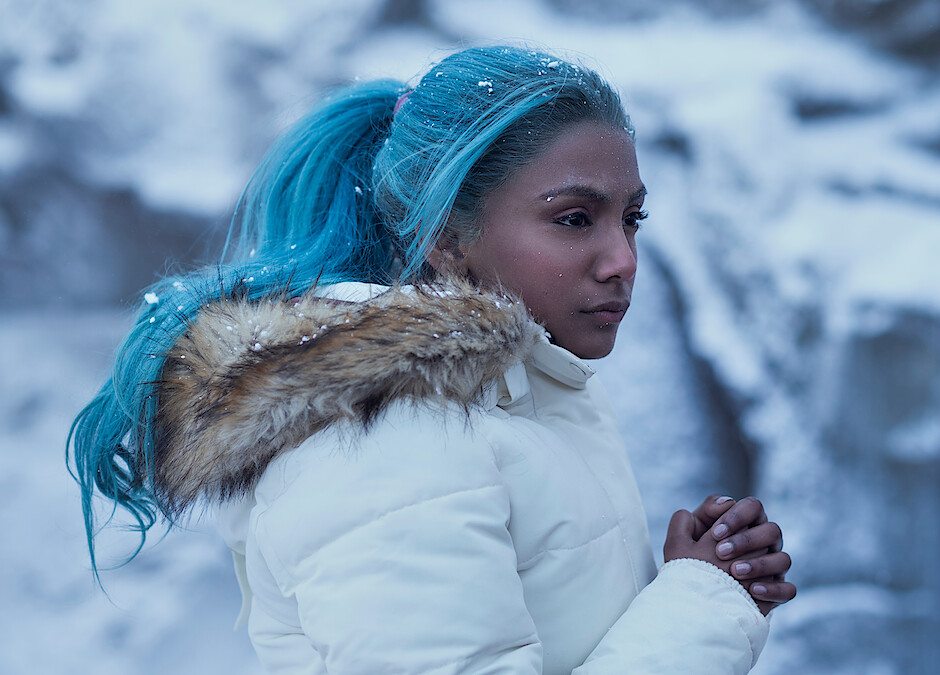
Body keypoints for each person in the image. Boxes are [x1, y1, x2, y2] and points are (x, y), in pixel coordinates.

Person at [69, 45, 796, 673]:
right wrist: (700, 608)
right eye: (575, 218)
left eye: (631, 218)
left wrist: (701, 580)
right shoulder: (385, 438)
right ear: (445, 238)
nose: (622, 260)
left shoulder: (505, 406)